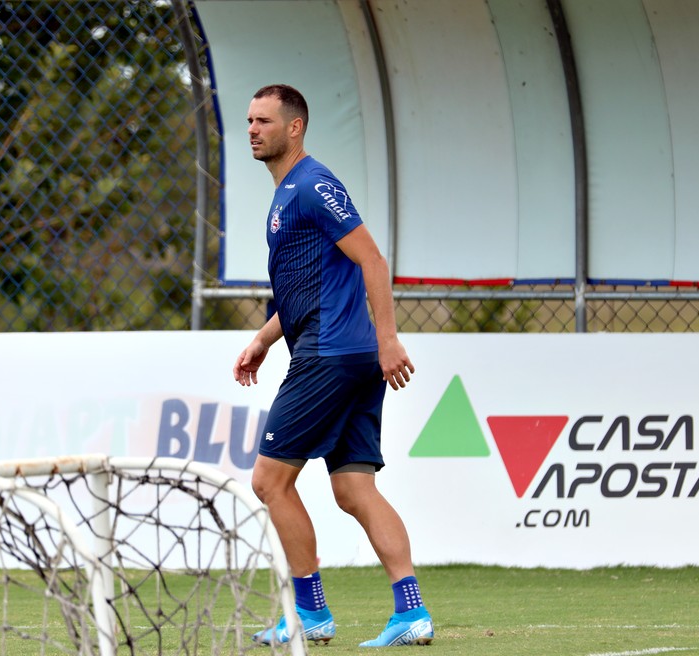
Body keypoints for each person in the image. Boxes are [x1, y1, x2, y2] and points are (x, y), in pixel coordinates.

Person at [233, 83, 434, 648]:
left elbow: (373, 259)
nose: (253, 130)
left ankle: (310, 612)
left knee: (269, 481)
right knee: (353, 488)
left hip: (331, 354)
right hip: (346, 354)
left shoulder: (312, 185)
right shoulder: (287, 193)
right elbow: (310, 286)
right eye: (249, 121)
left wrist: (389, 340)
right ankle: (412, 612)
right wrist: (265, 338)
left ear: (294, 127)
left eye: (264, 121)